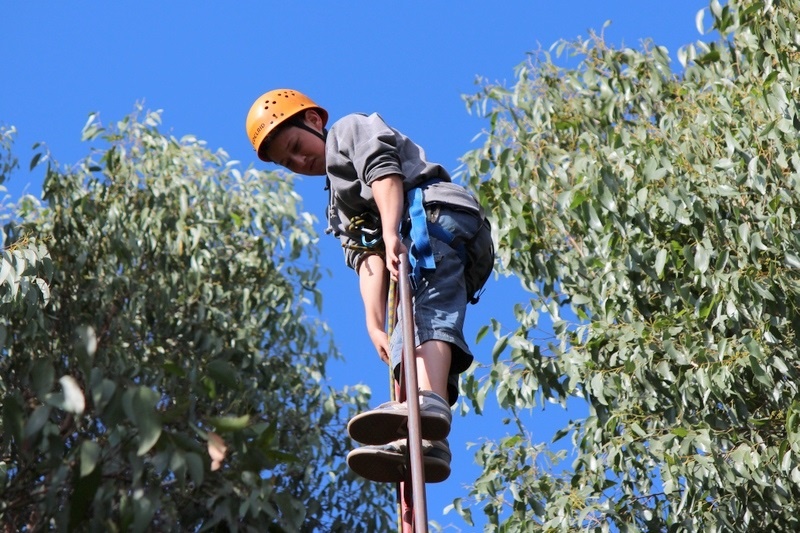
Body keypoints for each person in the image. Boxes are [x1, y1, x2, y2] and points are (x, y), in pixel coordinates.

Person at [245, 89, 493, 483]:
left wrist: (392, 230)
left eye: (294, 146)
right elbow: (366, 258)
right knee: (403, 332)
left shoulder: (347, 130)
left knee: (421, 309)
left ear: (312, 121)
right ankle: (429, 439)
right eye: (286, 163)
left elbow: (384, 172)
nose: (298, 161)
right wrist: (374, 323)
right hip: (421, 234)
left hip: (434, 218)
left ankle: (426, 404)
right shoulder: (336, 203)